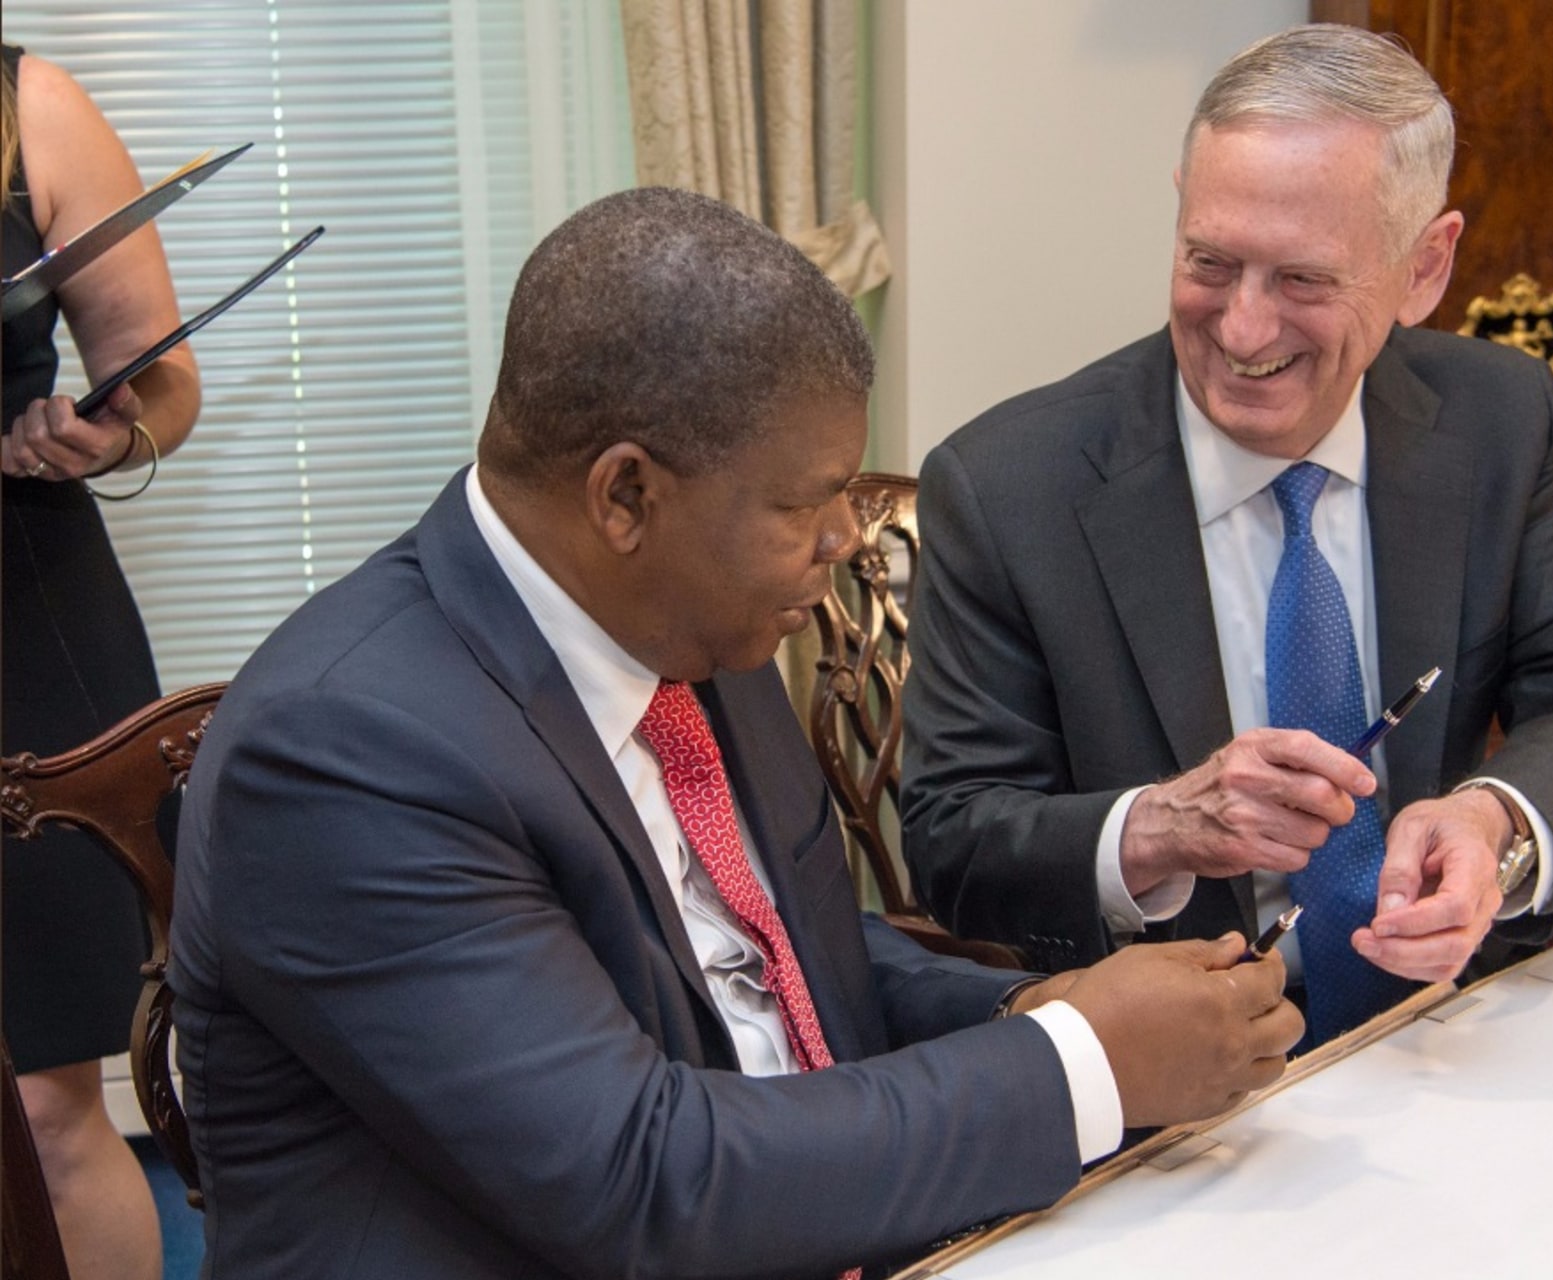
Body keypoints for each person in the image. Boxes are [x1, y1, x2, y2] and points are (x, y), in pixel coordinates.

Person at [169, 187, 1301, 1280]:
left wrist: (1032, 1010)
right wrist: (1076, 1065)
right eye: (806, 503)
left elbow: (808, 977)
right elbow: (637, 1179)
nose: (847, 539)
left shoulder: (694, 623)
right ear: (626, 496)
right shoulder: (346, 753)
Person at [900, 25, 1553, 1050]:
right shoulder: (1010, 486)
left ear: (1424, 267)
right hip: (1172, 1092)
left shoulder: (1497, 418)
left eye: (1304, 280)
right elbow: (952, 842)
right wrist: (1162, 825)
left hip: (1444, 1041)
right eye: (1210, 263)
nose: (1243, 330)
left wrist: (1495, 822)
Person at [2, 43, 201, 1280]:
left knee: (45, 1107)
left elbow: (164, 386)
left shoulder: (32, 109)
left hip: (22, 624)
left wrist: (101, 435)